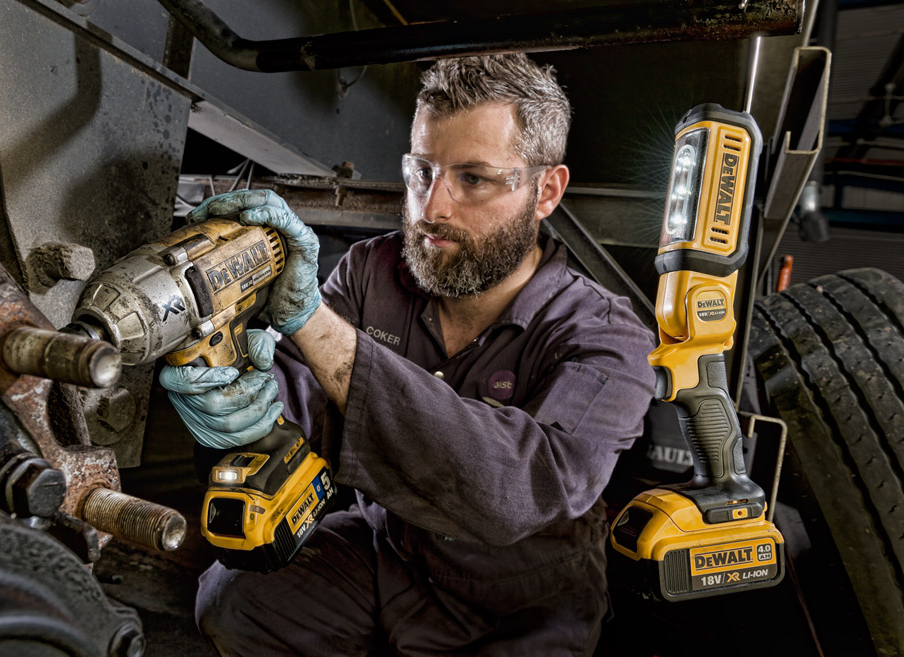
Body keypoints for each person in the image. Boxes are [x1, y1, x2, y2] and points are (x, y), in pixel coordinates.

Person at [160, 53, 656, 656]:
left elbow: (519, 489)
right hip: (385, 552)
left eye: (473, 178)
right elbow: (302, 409)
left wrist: (317, 328)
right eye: (422, 171)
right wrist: (246, 402)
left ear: (545, 190)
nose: (432, 208)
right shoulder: (373, 271)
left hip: (520, 601)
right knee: (236, 602)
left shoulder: (606, 336)